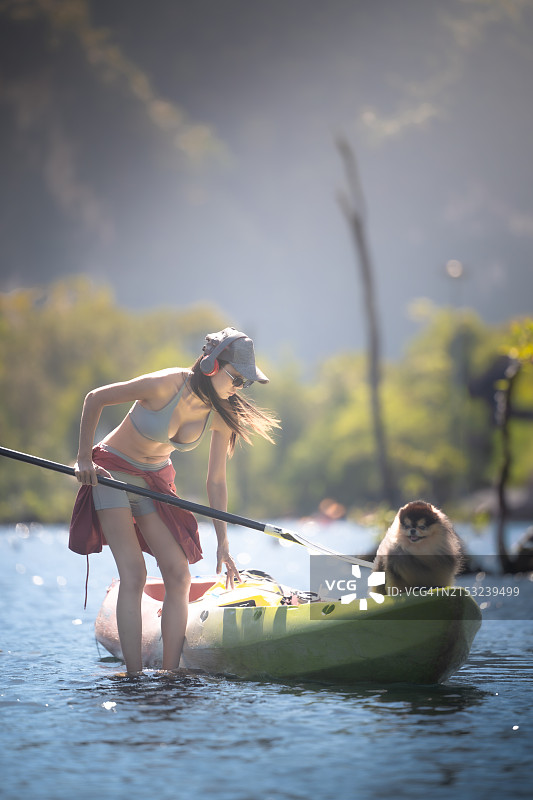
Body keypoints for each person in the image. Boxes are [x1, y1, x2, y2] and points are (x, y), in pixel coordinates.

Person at [69, 327, 279, 675]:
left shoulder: (222, 412)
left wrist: (223, 542)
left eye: (246, 384)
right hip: (112, 473)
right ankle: (133, 677)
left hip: (154, 483)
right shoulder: (165, 383)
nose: (239, 388)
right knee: (134, 573)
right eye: (237, 378)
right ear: (211, 364)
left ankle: (169, 675)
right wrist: (84, 459)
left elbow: (215, 481)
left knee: (179, 576)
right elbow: (95, 398)